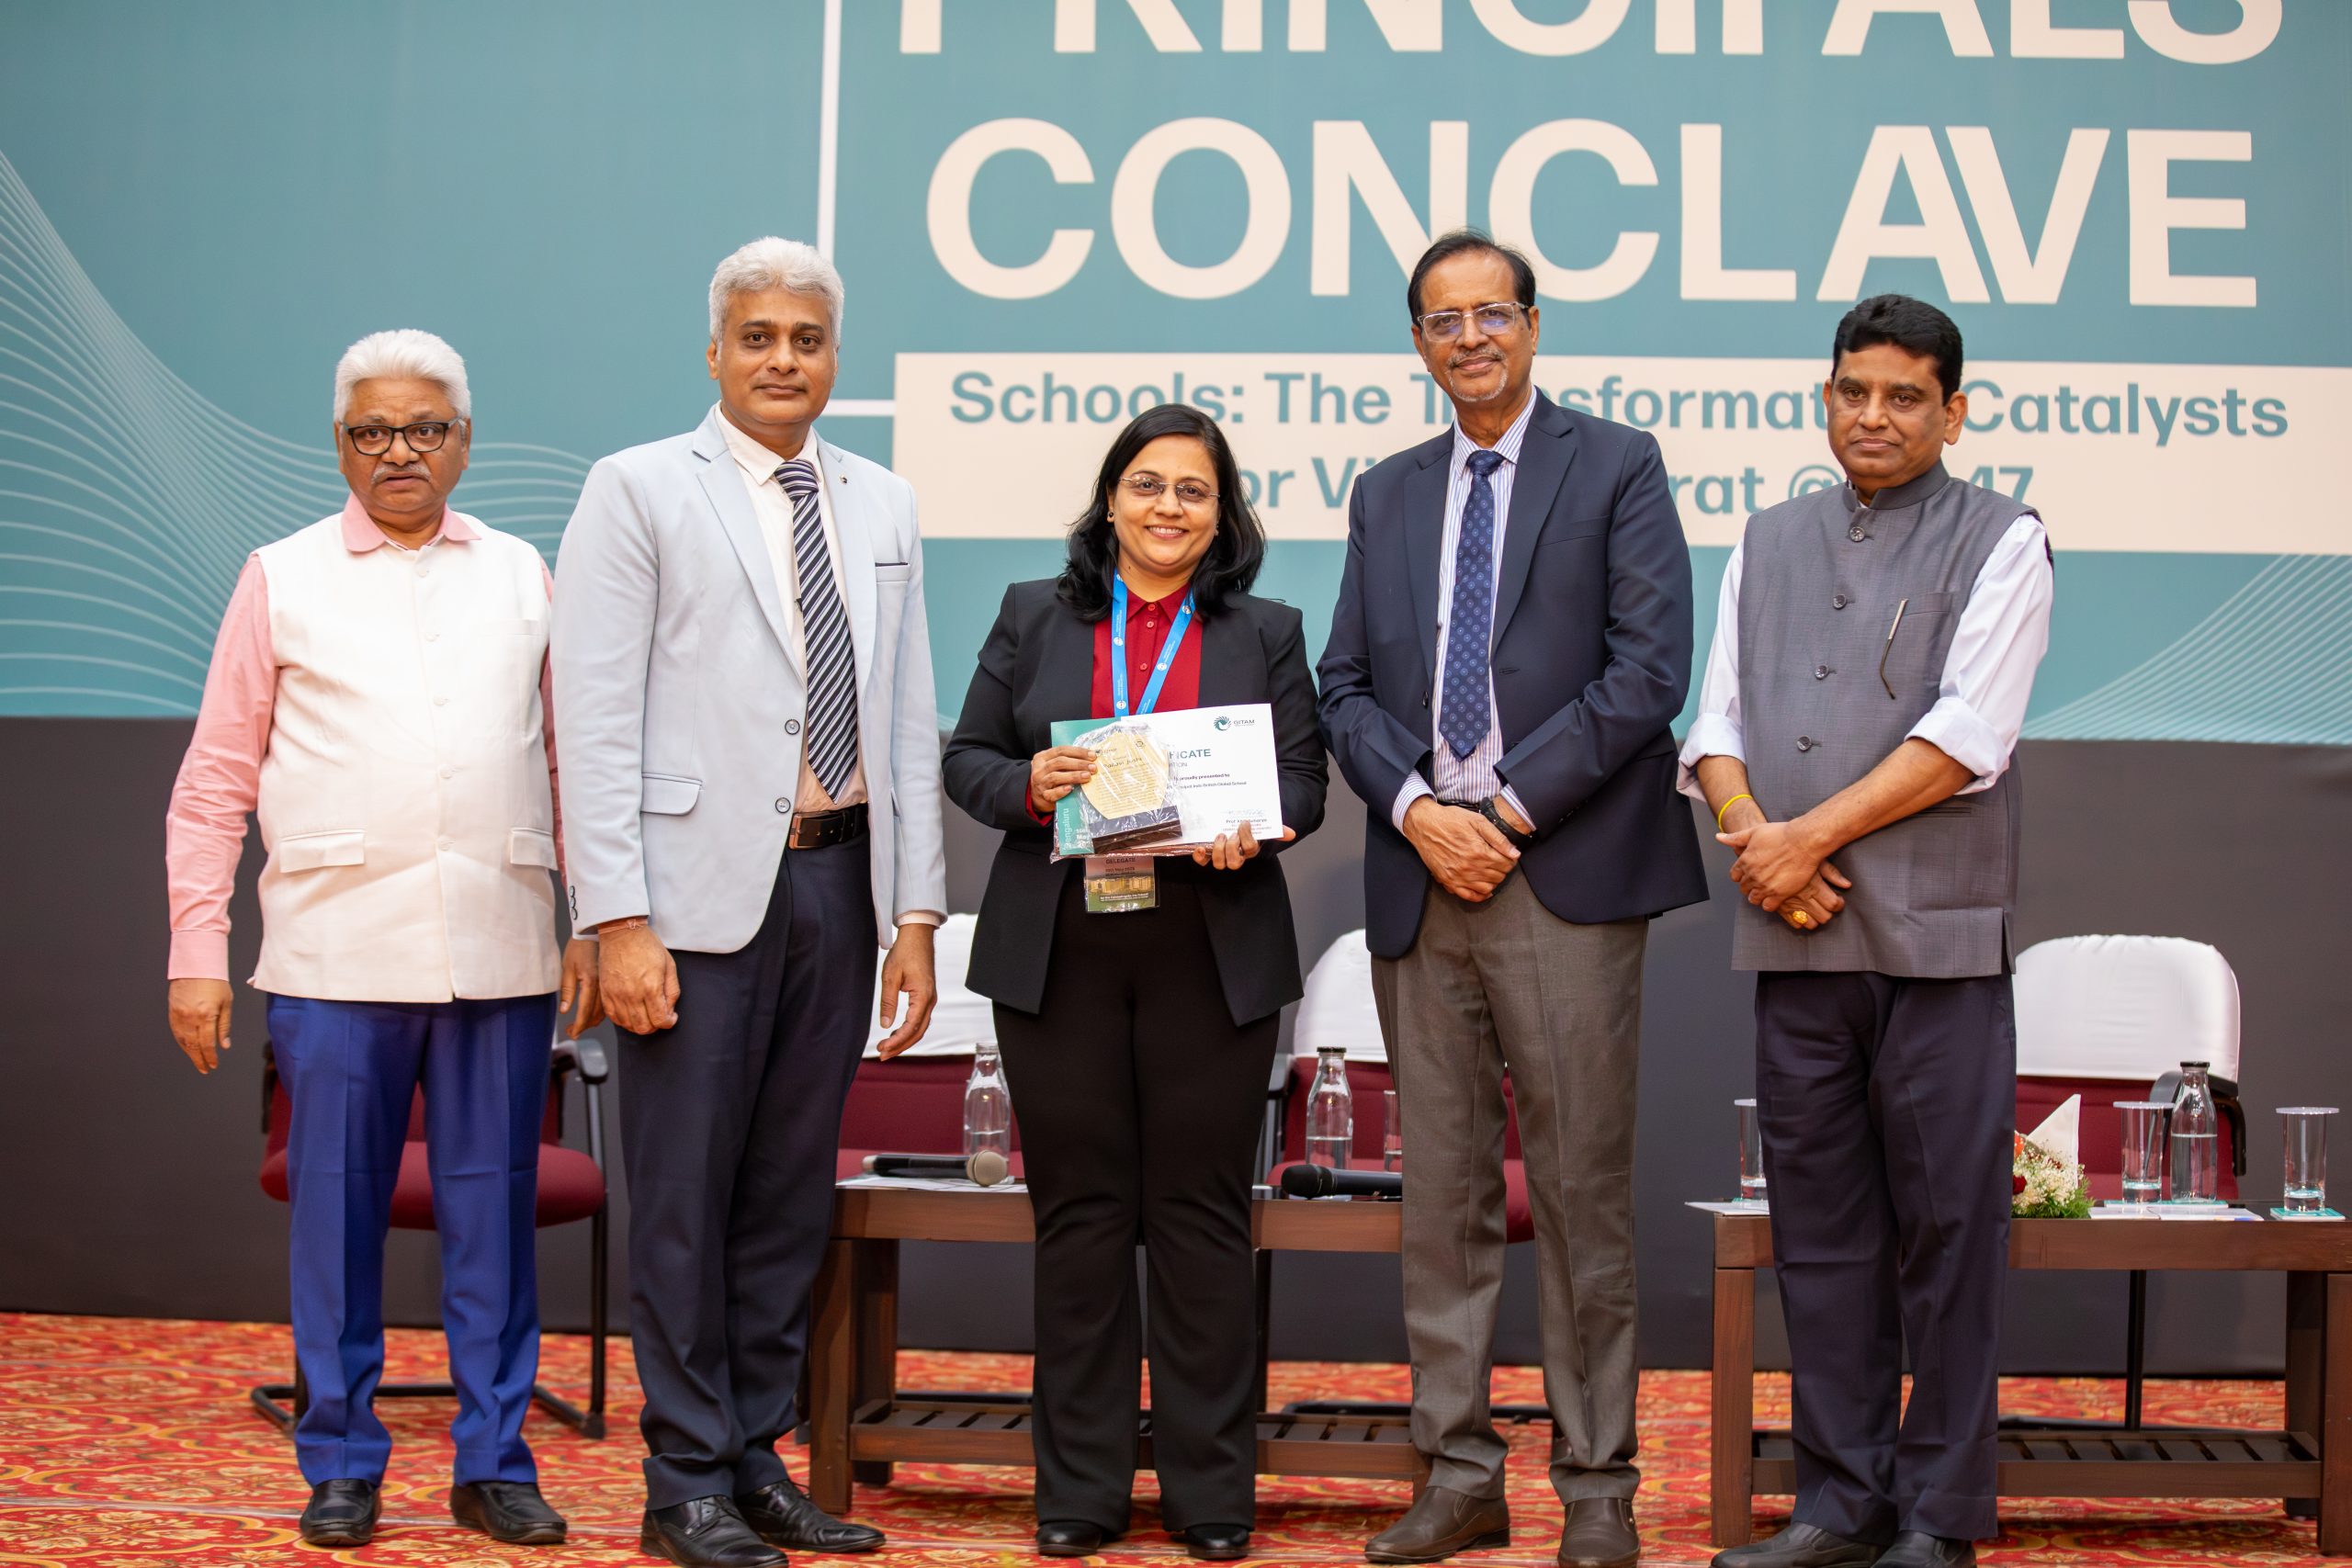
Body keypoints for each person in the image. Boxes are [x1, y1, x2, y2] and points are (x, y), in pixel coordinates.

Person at [163, 330, 594, 1550]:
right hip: (335, 954)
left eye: (424, 428)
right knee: (336, 1220)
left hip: (501, 952)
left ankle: (494, 1461)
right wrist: (196, 950)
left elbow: (569, 761)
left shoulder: (521, 572)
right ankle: (342, 1457)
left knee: (493, 1220)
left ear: (465, 439)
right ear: (340, 442)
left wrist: (594, 920)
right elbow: (214, 782)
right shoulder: (281, 574)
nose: (398, 450)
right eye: (371, 431)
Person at [552, 237, 947, 1568]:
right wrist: (616, 916)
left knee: (785, 1193)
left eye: (808, 338)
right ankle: (683, 1480)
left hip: (838, 877)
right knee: (683, 1194)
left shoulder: (883, 502)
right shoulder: (637, 487)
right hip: (687, 901)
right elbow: (592, 713)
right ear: (714, 350)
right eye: (760, 336)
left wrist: (915, 914)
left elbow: (904, 715)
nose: (785, 359)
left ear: (837, 356)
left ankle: (752, 1456)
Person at [1317, 230, 1706, 1568]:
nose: (1471, 337)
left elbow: (1647, 672)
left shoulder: (1618, 464)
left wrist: (1505, 812)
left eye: (1494, 314)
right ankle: (1458, 1473)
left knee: (1583, 1193)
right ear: (1417, 341)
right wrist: (1421, 811)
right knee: (1443, 1198)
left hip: (1563, 873)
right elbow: (1343, 688)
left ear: (1533, 325)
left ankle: (1597, 1485)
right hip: (1423, 875)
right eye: (1445, 319)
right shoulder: (1386, 491)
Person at [1687, 295, 2053, 1568]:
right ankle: (1840, 1503)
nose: (1874, 415)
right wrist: (1755, 837)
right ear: (1824, 397)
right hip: (1796, 937)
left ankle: (1940, 1514)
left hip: (1937, 942)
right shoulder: (1766, 537)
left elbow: (1968, 736)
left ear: (1954, 411)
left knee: (1948, 1231)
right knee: (1821, 1233)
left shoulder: (2004, 537)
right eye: (1854, 391)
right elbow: (1715, 724)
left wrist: (1804, 840)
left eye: (1905, 396)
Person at [942, 404, 1326, 1562]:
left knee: (1202, 1219)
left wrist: (1256, 824)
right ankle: (1081, 1490)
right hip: (1060, 946)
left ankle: (1211, 1493)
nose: (1168, 507)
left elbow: (1303, 783)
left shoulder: (1266, 629)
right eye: (1147, 485)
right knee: (1081, 1219)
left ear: (1223, 514)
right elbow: (968, 758)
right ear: (1110, 499)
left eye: (1193, 491)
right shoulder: (1032, 613)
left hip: (1210, 945)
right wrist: (1030, 783)